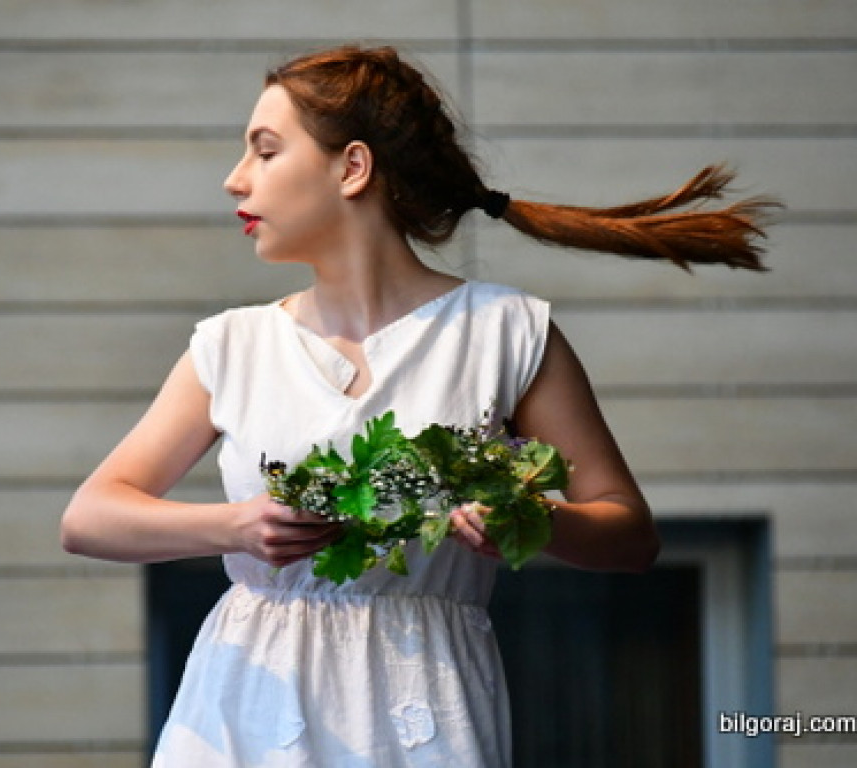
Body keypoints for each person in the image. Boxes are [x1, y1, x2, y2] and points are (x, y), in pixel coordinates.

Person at [61, 45, 775, 767]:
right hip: (240, 710)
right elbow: (89, 517)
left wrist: (530, 522)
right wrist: (237, 526)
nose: (234, 178)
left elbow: (630, 534)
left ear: (353, 168)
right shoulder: (231, 345)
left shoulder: (505, 332)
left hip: (422, 710)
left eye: (265, 151)